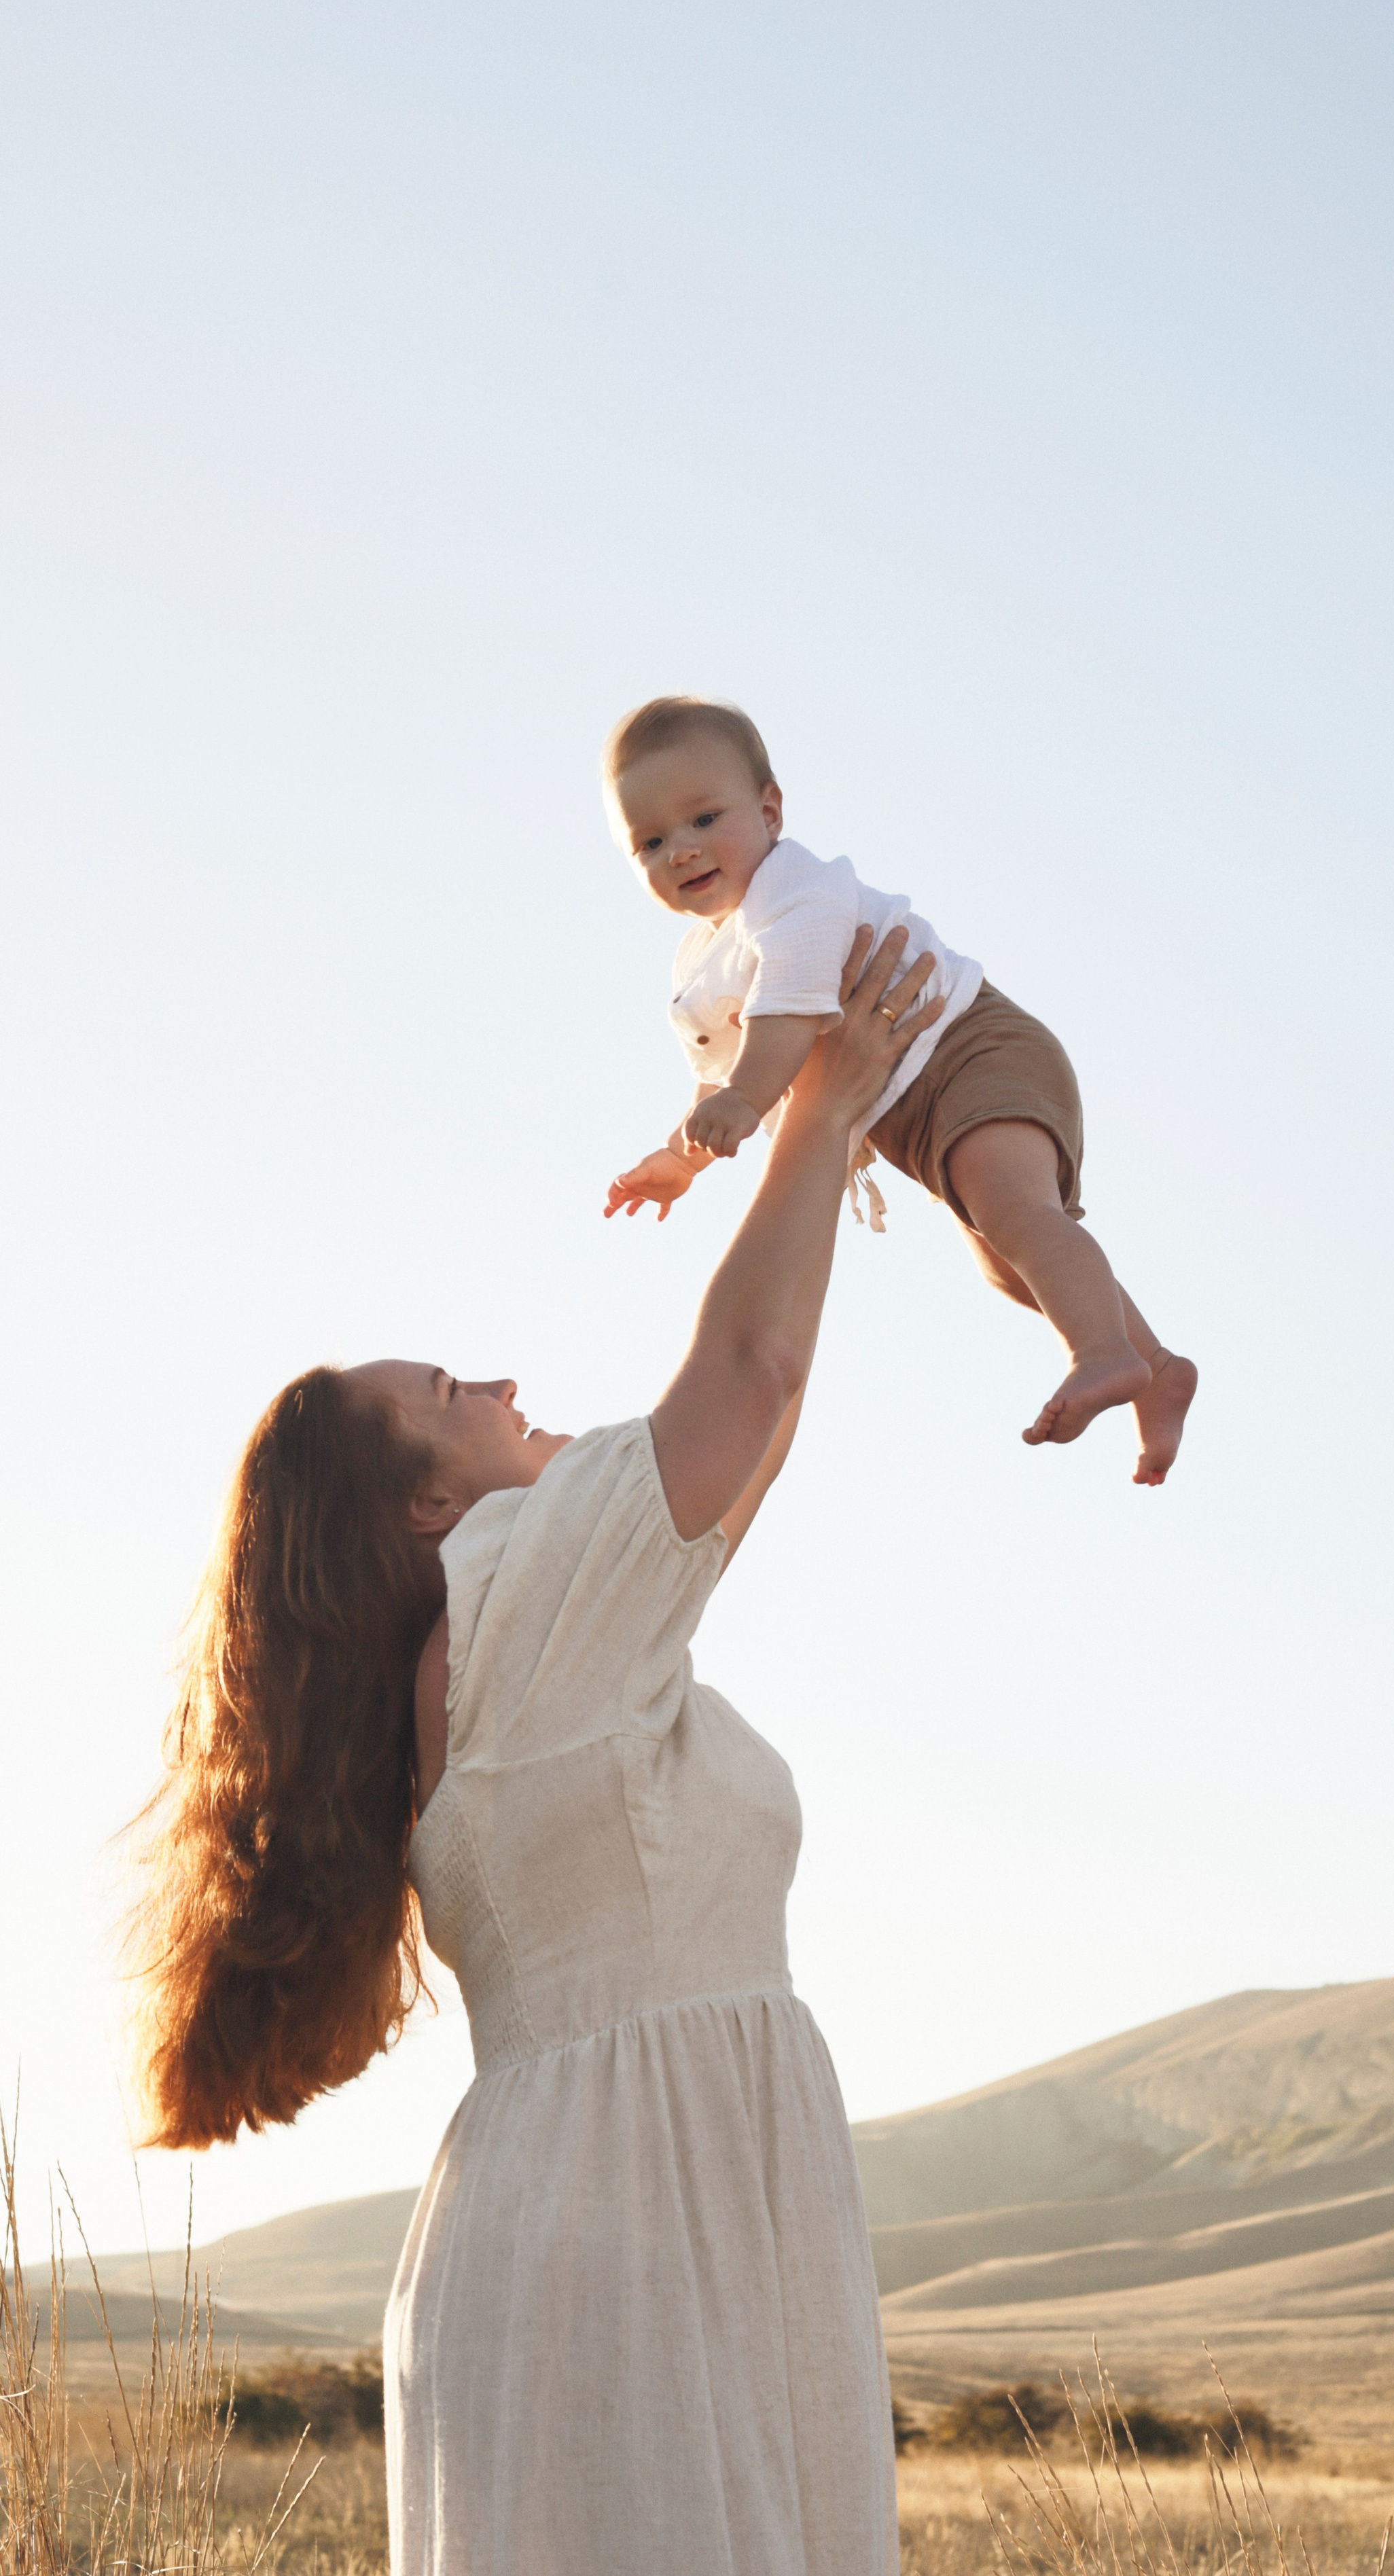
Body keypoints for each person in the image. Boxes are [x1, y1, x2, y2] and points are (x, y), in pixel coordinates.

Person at [126, 928, 942, 2575]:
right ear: (428, 1502)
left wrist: (827, 1134)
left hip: (580, 2209)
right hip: (643, 2217)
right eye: (451, 1389)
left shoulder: (497, 1654)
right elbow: (749, 1376)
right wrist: (823, 1095)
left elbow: (754, 1430)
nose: (501, 1379)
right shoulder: (518, 1582)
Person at [603, 694, 1198, 1487]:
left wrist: (743, 1099)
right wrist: (682, 1157)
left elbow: (785, 1014)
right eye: (650, 841)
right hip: (912, 1112)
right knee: (1008, 1261)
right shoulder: (700, 965)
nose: (680, 849)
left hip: (968, 1050)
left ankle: (1102, 1351)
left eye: (704, 818)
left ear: (769, 810)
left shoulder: (793, 888)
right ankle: (1155, 1368)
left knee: (1016, 1213)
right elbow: (719, 1074)